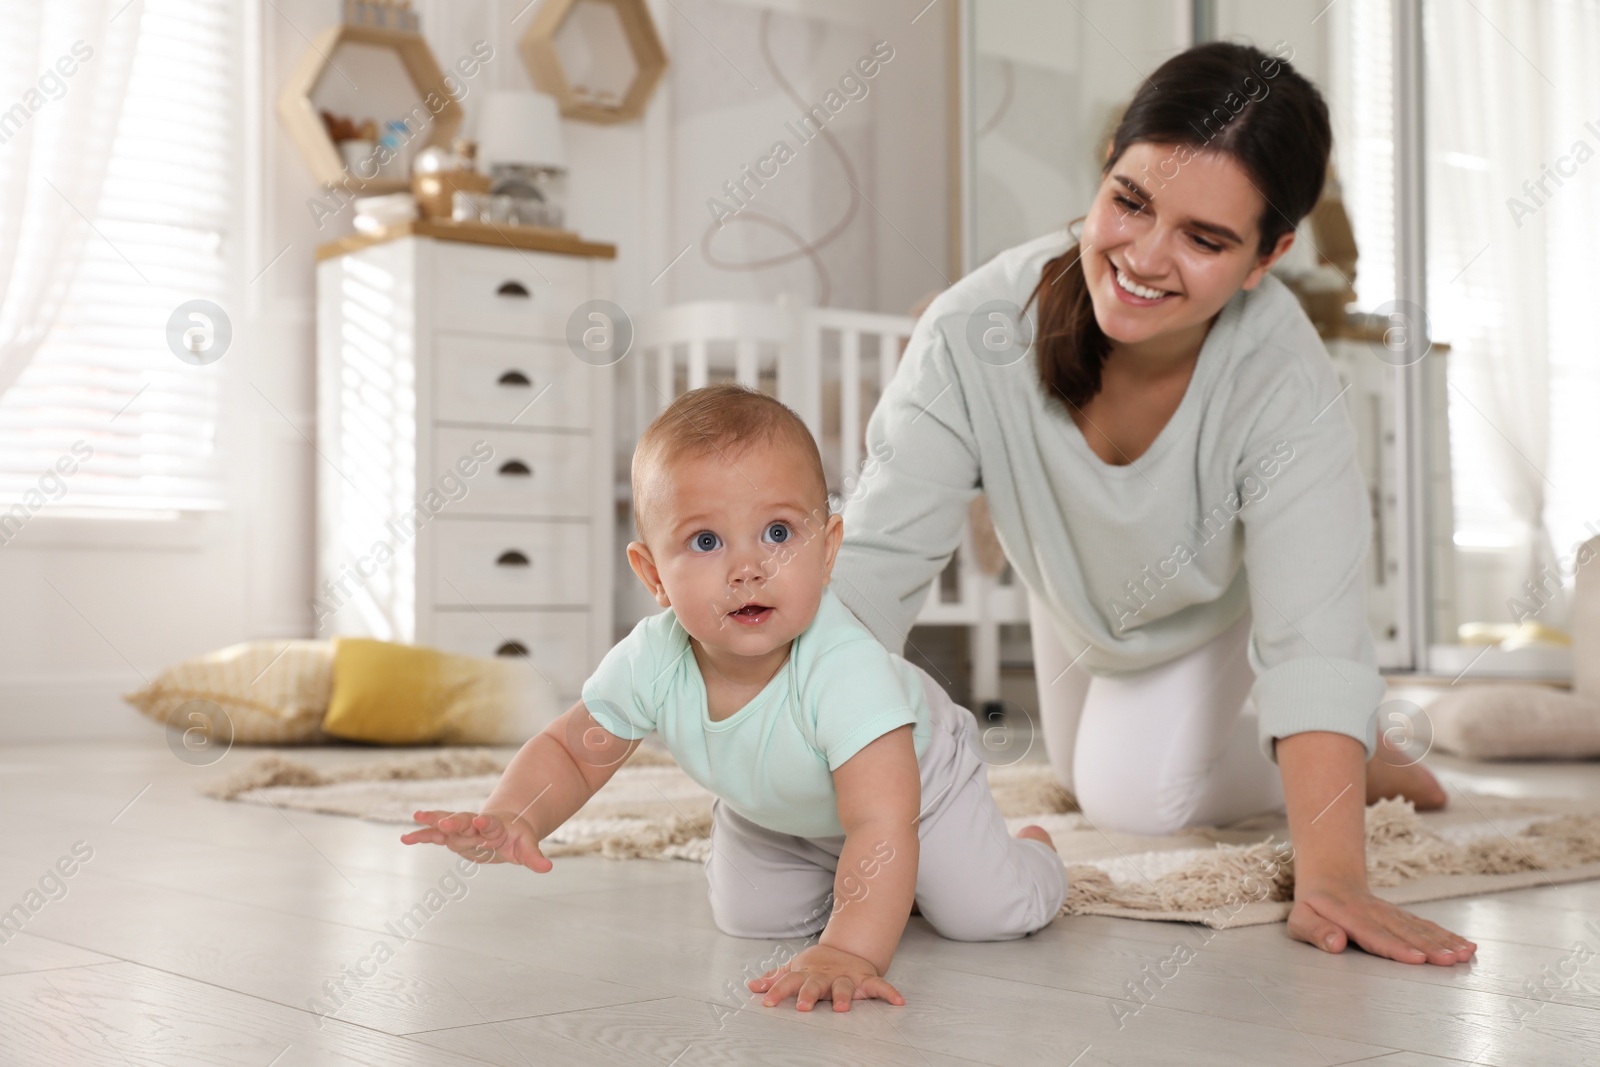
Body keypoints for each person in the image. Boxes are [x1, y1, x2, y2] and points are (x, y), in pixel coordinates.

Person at [830, 41, 1476, 967]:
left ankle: (1350, 745)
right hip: (1077, 604)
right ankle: (1342, 741)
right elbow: (876, 566)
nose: (1143, 256)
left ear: (1269, 256)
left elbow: (1315, 632)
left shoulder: (1286, 380)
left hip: (1214, 618)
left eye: (1205, 240)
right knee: (1083, 776)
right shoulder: (972, 331)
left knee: (1137, 797)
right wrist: (788, 742)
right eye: (1131, 202)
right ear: (1105, 173)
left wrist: (1334, 874)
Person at [401, 383, 1067, 1012]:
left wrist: (847, 949)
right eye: (706, 540)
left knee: (985, 914)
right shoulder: (653, 658)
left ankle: (1032, 853)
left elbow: (881, 823)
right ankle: (861, 875)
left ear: (828, 549)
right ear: (654, 574)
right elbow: (573, 754)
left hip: (915, 796)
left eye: (778, 533)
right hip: (781, 814)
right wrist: (515, 814)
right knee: (752, 921)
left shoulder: (843, 667)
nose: (747, 567)